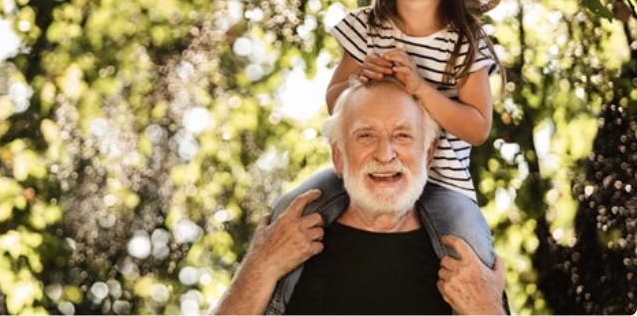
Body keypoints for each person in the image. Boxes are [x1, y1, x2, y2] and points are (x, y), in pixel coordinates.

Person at [310, 0, 505, 276]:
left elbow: (478, 128)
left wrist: (420, 89)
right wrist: (358, 83)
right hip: (365, 172)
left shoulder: (464, 43)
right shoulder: (365, 27)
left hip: (443, 187)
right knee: (294, 210)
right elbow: (333, 100)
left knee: (470, 246)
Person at [211, 78, 508, 315]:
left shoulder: (467, 265)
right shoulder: (288, 240)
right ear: (338, 155)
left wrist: (488, 311)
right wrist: (261, 266)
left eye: (403, 135)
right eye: (366, 135)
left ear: (428, 153)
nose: (385, 154)